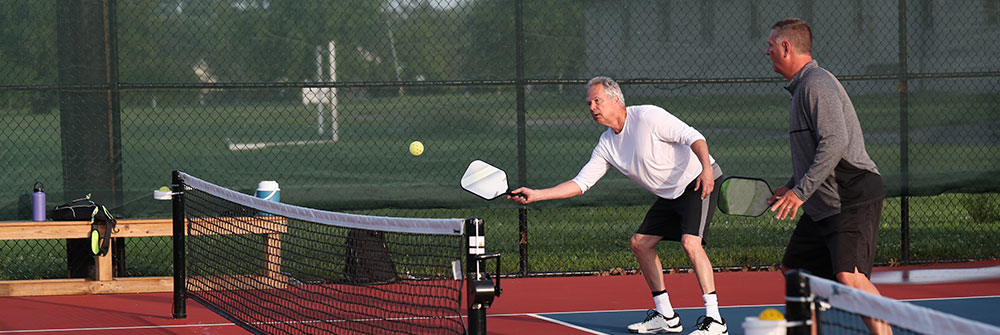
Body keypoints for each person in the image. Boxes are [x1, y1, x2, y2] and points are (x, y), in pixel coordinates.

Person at [509, 76, 727, 335]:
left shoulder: (648, 116)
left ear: (615, 99)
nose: (592, 107)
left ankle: (715, 320)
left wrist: (706, 170)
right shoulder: (606, 145)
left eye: (597, 100)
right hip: (670, 195)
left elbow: (694, 136)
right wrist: (537, 195)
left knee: (690, 243)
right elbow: (582, 183)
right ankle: (666, 315)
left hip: (697, 180)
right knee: (640, 243)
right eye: (589, 103)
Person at [765, 18, 891, 335]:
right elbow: (815, 153)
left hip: (850, 196)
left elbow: (835, 142)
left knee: (850, 277)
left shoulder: (817, 82)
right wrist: (792, 186)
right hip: (824, 202)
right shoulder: (800, 90)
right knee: (796, 271)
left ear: (786, 47)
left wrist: (800, 192)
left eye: (770, 46)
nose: (766, 52)